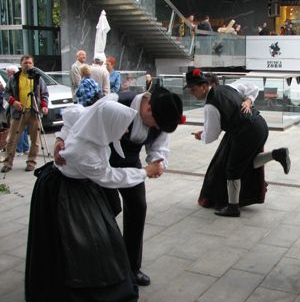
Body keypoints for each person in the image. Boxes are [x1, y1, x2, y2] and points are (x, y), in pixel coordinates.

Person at [26, 95, 163, 301]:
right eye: (123, 127)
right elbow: (109, 177)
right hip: (65, 193)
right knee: (78, 240)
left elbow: (72, 116)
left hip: (82, 186)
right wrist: (145, 172)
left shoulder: (91, 122)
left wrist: (60, 138)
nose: (125, 131)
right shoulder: (84, 151)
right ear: (108, 124)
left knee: (99, 233)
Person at [55, 86, 184, 286]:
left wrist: (157, 162)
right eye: (156, 124)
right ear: (148, 109)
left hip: (130, 163)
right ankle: (105, 262)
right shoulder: (114, 101)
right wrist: (61, 138)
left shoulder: (162, 114)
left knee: (138, 207)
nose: (156, 129)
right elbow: (81, 118)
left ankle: (132, 267)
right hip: (101, 162)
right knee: (104, 211)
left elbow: (159, 145)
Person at [186, 68, 291, 217]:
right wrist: (248, 100)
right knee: (246, 164)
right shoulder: (228, 87)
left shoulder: (210, 105)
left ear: (204, 86)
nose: (191, 92)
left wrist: (201, 135)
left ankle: (232, 207)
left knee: (232, 169)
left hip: (246, 133)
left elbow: (211, 135)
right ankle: (277, 154)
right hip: (260, 125)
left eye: (193, 89)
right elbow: (252, 88)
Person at [1, 55, 48, 173]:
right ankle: (7, 163)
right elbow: (6, 93)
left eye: (30, 63)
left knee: (35, 140)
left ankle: (31, 162)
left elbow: (44, 94)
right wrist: (13, 102)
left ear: (33, 64)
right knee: (11, 139)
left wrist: (44, 106)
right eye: (25, 63)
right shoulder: (14, 78)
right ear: (21, 64)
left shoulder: (37, 78)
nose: (28, 65)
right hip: (18, 112)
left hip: (34, 112)